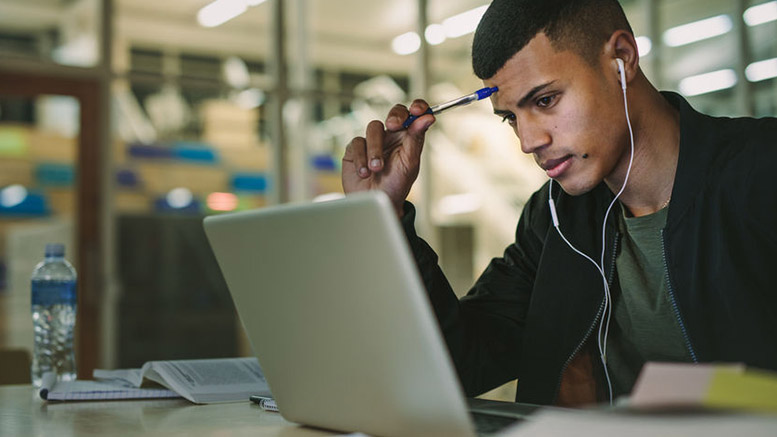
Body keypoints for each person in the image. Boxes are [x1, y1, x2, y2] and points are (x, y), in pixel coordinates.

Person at [341, 0, 777, 407]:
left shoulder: (762, 172)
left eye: (545, 100)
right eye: (511, 118)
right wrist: (386, 216)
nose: (529, 141)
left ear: (622, 58)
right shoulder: (554, 217)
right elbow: (462, 364)